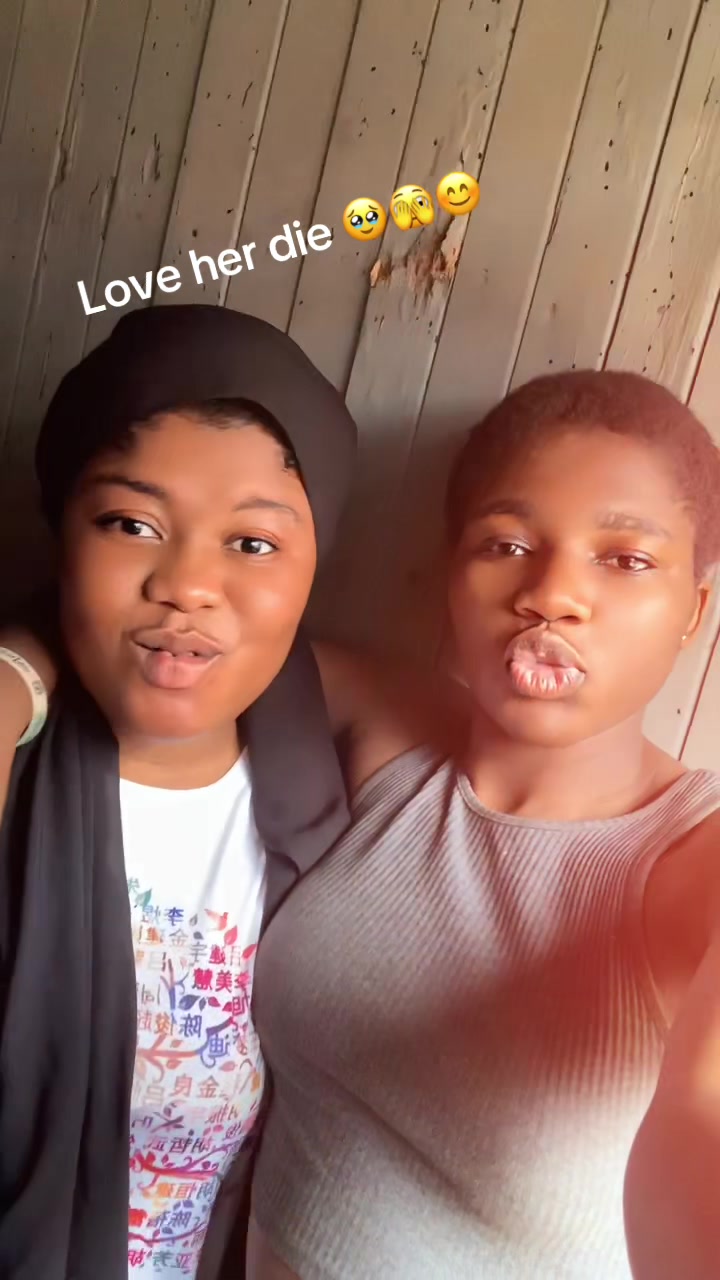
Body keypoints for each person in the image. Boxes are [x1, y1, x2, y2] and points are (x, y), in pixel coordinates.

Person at [4, 368, 720, 1278]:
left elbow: (704, 1119)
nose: (553, 593)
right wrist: (9, 683)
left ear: (694, 612)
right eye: (506, 544)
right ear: (451, 574)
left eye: (625, 559)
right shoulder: (386, 733)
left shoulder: (692, 857)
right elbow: (131, 627)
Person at [0, 302, 361, 1280]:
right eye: (131, 523)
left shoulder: (326, 795)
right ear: (62, 532)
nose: (187, 584)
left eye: (254, 543)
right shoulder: (14, 775)